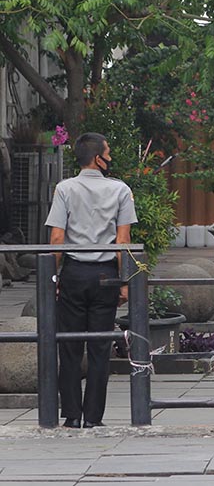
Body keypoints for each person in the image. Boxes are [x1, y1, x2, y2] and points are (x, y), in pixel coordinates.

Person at [46, 133, 137, 429]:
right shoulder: (121, 190)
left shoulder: (64, 189)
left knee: (69, 346)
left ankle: (71, 415)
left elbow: (57, 237)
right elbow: (123, 239)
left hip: (73, 272)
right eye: (108, 152)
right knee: (100, 347)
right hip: (106, 274)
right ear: (98, 158)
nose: (110, 157)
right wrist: (124, 282)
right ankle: (94, 417)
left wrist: (54, 276)